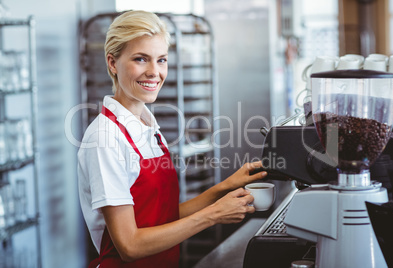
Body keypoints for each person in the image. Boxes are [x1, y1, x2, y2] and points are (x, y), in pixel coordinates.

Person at [77, 10, 267, 268]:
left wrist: (225, 187)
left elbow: (163, 219)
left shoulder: (148, 126)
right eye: (141, 59)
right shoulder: (105, 138)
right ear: (112, 63)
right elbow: (129, 245)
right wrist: (213, 216)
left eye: (162, 60)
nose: (154, 72)